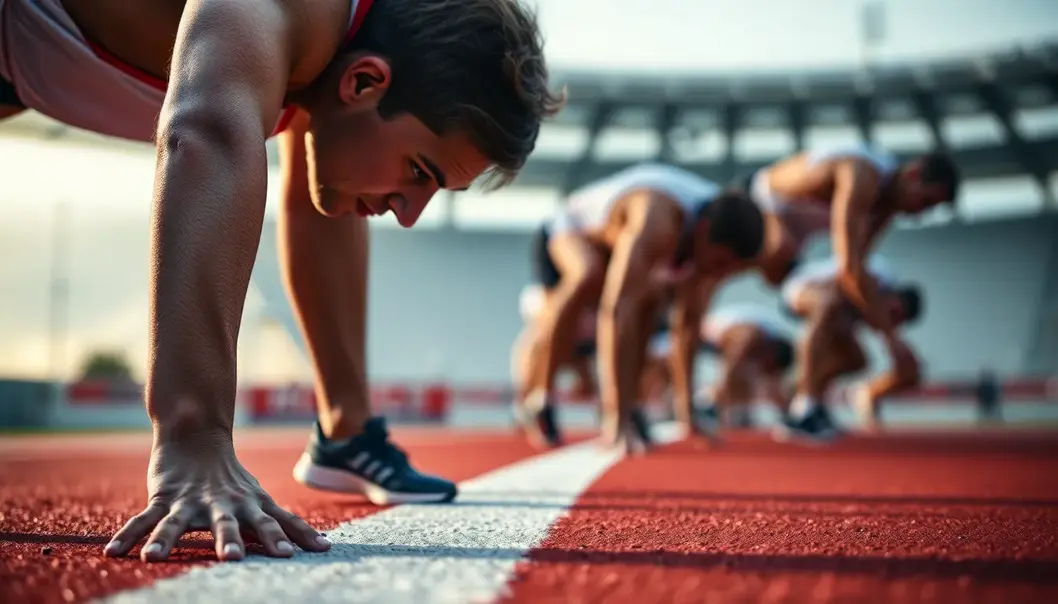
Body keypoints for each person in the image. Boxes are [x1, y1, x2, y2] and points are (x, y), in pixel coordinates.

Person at [1, 0, 562, 562]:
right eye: (419, 171)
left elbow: (320, 199)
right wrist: (195, 437)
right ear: (365, 82)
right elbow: (208, 131)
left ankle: (347, 431)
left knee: (342, 182)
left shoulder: (326, 63)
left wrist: (347, 423)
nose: (409, 214)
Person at [516, 163, 765, 453]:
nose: (716, 275)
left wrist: (687, 414)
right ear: (703, 230)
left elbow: (687, 328)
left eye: (728, 271)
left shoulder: (716, 234)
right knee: (588, 274)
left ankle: (632, 404)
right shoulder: (656, 219)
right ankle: (542, 398)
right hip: (572, 229)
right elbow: (617, 311)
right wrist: (616, 420)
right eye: (719, 263)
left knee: (653, 301)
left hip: (616, 244)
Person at [734, 144, 958, 339]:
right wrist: (892, 340)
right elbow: (848, 268)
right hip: (759, 197)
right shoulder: (861, 174)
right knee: (781, 249)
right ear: (913, 174)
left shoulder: (885, 209)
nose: (920, 214)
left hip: (793, 236)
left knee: (837, 316)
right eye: (925, 201)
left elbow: (855, 267)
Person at [778, 255, 923, 440]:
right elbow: (848, 284)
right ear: (893, 296)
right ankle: (805, 405)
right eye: (893, 313)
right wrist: (891, 338)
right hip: (802, 287)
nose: (889, 321)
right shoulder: (878, 275)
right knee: (827, 303)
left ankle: (805, 391)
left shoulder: (878, 308)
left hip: (839, 314)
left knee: (857, 361)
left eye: (895, 322)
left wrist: (904, 360)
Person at [697, 304, 794, 431]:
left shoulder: (773, 345)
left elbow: (775, 384)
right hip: (705, 333)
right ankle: (705, 404)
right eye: (768, 365)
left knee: (745, 379)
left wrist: (788, 411)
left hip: (736, 331)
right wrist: (712, 398)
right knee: (736, 378)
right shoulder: (747, 336)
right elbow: (731, 371)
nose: (764, 369)